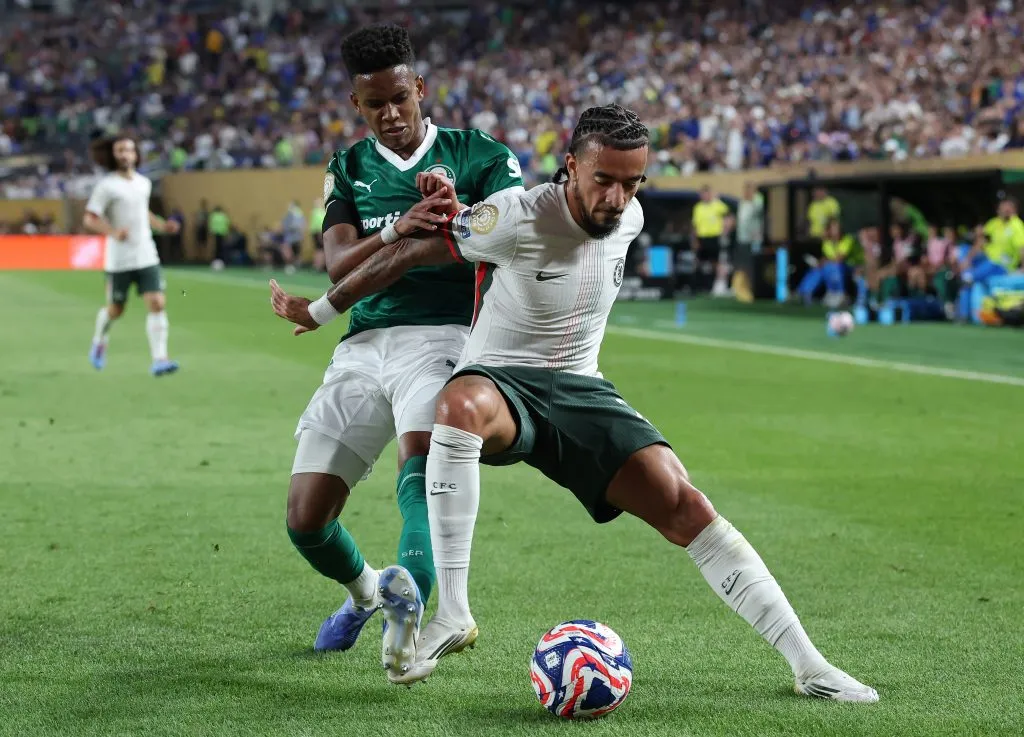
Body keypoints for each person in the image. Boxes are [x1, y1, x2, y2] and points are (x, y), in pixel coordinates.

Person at [269, 104, 879, 702]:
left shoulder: (630, 218)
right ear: (570, 168)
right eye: (603, 181)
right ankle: (452, 612)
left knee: (684, 505)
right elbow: (410, 251)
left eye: (631, 183)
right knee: (456, 405)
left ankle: (810, 665)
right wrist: (323, 310)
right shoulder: (512, 216)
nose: (616, 198)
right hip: (502, 381)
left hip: (582, 389)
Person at [282, 23, 525, 675]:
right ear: (357, 105)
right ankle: (367, 594)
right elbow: (336, 262)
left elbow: (510, 233)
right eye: (374, 104)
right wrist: (396, 226)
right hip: (363, 344)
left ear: (419, 88)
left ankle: (413, 622)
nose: (390, 114)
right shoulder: (350, 167)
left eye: (399, 98)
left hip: (447, 337)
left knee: (419, 476)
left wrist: (458, 212)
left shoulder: (481, 154)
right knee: (305, 519)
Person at [83, 134, 180, 376]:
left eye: (129, 150)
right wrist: (113, 232)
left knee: (157, 303)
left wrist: (161, 226)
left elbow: (141, 212)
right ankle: (99, 341)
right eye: (120, 150)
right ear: (113, 156)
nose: (125, 154)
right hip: (119, 259)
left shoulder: (143, 183)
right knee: (116, 310)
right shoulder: (106, 186)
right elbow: (90, 218)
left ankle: (160, 358)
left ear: (136, 154)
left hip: (146, 254)